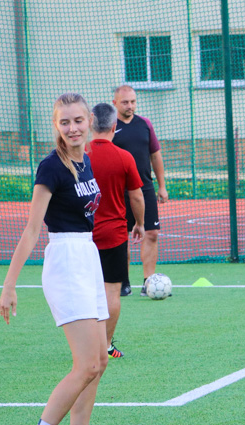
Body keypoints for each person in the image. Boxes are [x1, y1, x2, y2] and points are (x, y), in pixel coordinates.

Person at [0, 93, 116, 425]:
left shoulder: (86, 163)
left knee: (98, 364)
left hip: (87, 257)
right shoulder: (51, 166)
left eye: (78, 121)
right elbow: (33, 229)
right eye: (64, 122)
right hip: (65, 262)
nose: (72, 128)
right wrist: (10, 284)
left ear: (89, 122)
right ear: (56, 126)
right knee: (85, 365)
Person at [87, 102, 146, 358]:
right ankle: (106, 345)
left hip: (82, 236)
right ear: (114, 126)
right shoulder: (124, 157)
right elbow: (137, 197)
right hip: (113, 235)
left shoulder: (78, 156)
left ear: (89, 124)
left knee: (86, 292)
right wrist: (140, 224)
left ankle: (85, 346)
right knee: (112, 291)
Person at [111, 85, 166, 297]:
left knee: (151, 233)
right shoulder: (109, 126)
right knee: (120, 238)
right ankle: (123, 283)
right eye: (125, 102)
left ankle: (148, 283)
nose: (130, 106)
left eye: (133, 101)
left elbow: (156, 155)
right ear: (115, 103)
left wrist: (162, 186)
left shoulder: (145, 124)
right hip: (118, 192)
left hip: (145, 189)